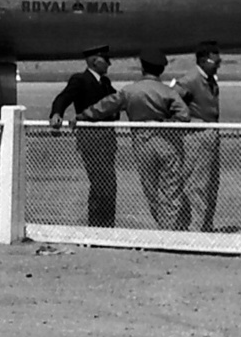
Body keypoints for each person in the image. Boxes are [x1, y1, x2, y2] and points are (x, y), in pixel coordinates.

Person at [78, 48, 191, 229]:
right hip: (168, 142)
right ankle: (171, 228)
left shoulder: (130, 91)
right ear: (161, 70)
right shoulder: (168, 92)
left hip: (142, 142)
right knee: (172, 188)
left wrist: (84, 115)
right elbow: (184, 115)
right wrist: (165, 121)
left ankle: (163, 225)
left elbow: (105, 106)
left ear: (142, 68)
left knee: (150, 188)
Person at [49, 45, 118, 227]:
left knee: (110, 183)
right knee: (99, 182)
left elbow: (116, 102)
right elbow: (63, 98)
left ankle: (107, 224)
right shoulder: (80, 80)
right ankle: (96, 225)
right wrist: (57, 114)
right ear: (95, 61)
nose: (109, 64)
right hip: (91, 140)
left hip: (107, 139)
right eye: (106, 60)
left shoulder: (105, 83)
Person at [176, 42, 222, 232]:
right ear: (203, 60)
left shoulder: (211, 80)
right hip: (196, 137)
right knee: (197, 183)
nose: (218, 64)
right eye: (215, 60)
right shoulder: (189, 80)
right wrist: (189, 121)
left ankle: (206, 225)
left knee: (211, 182)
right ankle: (195, 228)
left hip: (212, 135)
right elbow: (172, 102)